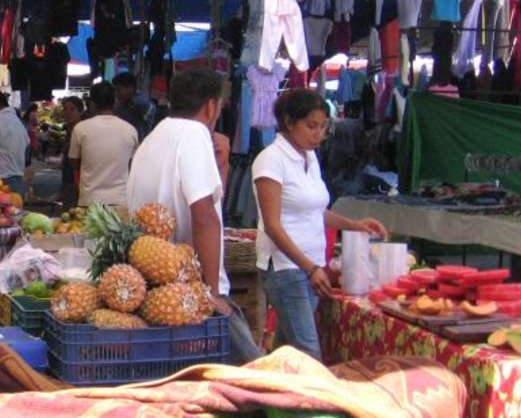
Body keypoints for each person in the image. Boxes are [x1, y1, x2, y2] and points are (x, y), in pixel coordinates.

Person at [127, 69, 261, 365]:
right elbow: (205, 218)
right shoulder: (194, 135)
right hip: (191, 293)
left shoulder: (153, 138)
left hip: (158, 290)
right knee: (257, 379)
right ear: (212, 106)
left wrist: (222, 168)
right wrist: (211, 294)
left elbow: (205, 206)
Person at [253, 89, 389, 360]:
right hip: (285, 269)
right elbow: (272, 225)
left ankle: (268, 400)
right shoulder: (271, 159)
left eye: (323, 127)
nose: (318, 134)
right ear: (290, 122)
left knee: (287, 349)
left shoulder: (310, 157)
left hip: (311, 266)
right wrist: (310, 267)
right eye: (311, 126)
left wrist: (354, 224)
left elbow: (316, 210)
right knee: (308, 353)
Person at [68, 82, 138, 206]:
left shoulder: (80, 129)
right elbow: (132, 166)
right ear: (115, 101)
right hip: (120, 201)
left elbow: (73, 162)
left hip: (90, 201)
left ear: (92, 103)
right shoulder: (130, 130)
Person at [60, 96, 84, 209]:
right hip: (68, 177)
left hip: (78, 178)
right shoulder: (69, 129)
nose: (68, 112)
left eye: (72, 109)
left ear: (80, 111)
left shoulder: (82, 130)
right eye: (65, 109)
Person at [113, 72, 150, 142]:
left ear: (131, 88)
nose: (116, 94)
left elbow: (141, 103)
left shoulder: (140, 103)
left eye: (118, 90)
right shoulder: (120, 105)